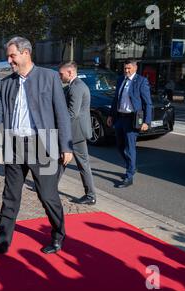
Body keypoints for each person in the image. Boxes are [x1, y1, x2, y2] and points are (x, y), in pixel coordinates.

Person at [0, 36, 73, 257]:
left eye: (12, 55)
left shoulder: (49, 77)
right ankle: (2, 240)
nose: (9, 60)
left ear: (26, 53)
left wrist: (66, 146)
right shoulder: (8, 82)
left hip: (41, 145)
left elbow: (62, 114)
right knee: (10, 196)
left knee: (47, 195)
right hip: (14, 145)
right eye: (8, 56)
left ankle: (58, 234)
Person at [106, 59, 152, 188]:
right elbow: (116, 99)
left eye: (129, 68)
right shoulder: (121, 79)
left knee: (130, 147)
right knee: (120, 146)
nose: (126, 71)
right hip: (120, 117)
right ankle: (131, 166)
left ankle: (129, 175)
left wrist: (146, 122)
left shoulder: (141, 81)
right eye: (125, 68)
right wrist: (111, 115)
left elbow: (147, 103)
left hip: (132, 119)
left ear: (135, 68)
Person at [58, 61, 96, 205]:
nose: (60, 76)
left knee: (80, 164)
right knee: (62, 160)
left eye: (61, 74)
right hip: (76, 131)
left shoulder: (76, 87)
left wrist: (58, 123)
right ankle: (49, 187)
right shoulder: (74, 86)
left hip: (76, 132)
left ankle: (91, 195)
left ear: (70, 72)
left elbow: (72, 113)